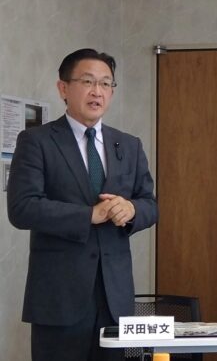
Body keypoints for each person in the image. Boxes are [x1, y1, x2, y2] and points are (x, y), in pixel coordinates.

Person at [7, 48, 159, 361]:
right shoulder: (37, 141)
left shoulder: (128, 144)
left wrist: (132, 210)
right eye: (88, 81)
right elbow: (22, 208)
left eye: (105, 84)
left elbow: (150, 204)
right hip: (59, 297)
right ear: (63, 88)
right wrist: (89, 215)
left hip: (114, 297)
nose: (97, 91)